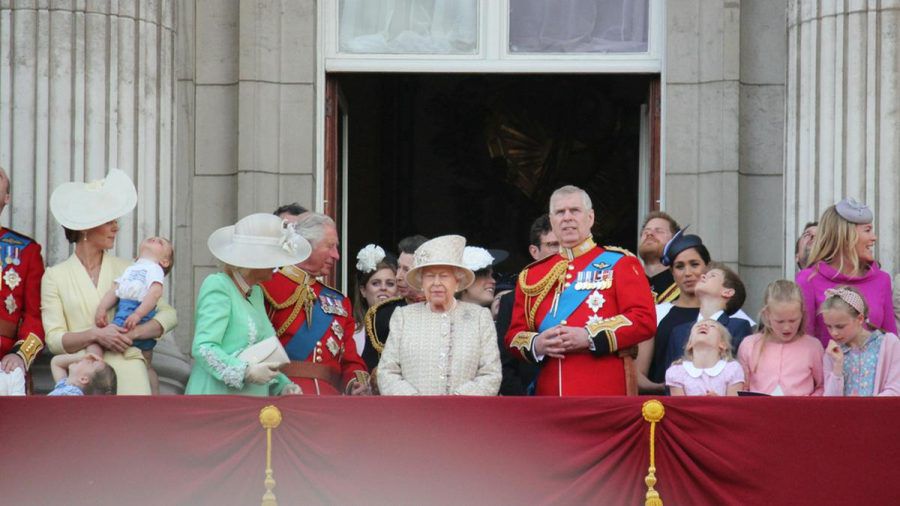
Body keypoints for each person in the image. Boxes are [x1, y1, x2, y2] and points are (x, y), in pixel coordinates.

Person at [505, 185, 656, 396]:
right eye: (560, 212)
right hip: (549, 396)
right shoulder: (532, 275)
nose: (567, 217)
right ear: (552, 220)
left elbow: (643, 320)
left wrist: (588, 336)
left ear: (590, 217)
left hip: (604, 394)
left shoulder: (620, 263)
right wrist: (537, 344)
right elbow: (514, 335)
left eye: (574, 211)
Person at [42, 169, 177, 395]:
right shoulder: (55, 276)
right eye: (109, 221)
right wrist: (95, 335)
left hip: (130, 371)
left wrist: (134, 333)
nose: (116, 227)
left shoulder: (130, 269)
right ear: (85, 227)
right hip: (85, 381)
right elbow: (55, 340)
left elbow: (168, 315)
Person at [186, 213, 308, 396]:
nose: (278, 266)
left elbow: (263, 353)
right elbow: (204, 348)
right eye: (273, 258)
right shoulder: (218, 285)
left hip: (252, 404)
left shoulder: (256, 293)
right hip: (215, 397)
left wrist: (283, 386)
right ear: (256, 260)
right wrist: (245, 371)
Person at [261, 212, 370, 395]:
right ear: (306, 245)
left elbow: (350, 359)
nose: (336, 255)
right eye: (330, 246)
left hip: (328, 402)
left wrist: (355, 383)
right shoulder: (268, 287)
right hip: (283, 395)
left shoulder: (340, 302)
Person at [377, 235, 501, 395]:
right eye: (429, 276)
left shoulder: (479, 318)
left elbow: (491, 374)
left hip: (464, 415)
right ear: (421, 282)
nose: (436, 283)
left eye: (443, 276)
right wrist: (416, 402)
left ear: (457, 281)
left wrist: (457, 401)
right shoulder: (403, 317)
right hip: (412, 415)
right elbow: (387, 372)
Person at [797, 198, 897, 347]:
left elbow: (892, 343)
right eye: (867, 230)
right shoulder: (808, 280)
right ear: (846, 236)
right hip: (826, 368)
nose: (874, 237)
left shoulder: (882, 279)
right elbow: (804, 345)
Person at [92, 236, 173, 394]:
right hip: (125, 308)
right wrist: (102, 308)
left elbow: (155, 294)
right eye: (151, 238)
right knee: (146, 360)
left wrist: (138, 313)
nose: (155, 239)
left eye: (161, 242)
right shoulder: (131, 268)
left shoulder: (154, 268)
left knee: (102, 339)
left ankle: (92, 363)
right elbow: (115, 290)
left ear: (164, 262)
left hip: (136, 311)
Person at [494, 214, 556, 395]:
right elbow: (504, 365)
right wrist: (525, 403)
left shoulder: (588, 294)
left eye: (564, 245)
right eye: (553, 245)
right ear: (534, 251)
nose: (561, 252)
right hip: (530, 403)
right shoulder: (511, 301)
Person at [737, 280, 824, 396]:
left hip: (800, 412)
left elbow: (822, 386)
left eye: (793, 320)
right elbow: (742, 388)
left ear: (802, 314)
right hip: (759, 411)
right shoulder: (749, 345)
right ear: (767, 314)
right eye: (780, 321)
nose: (787, 327)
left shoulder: (813, 346)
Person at [0, 167, 45, 384]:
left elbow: (34, 317)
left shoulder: (26, 251)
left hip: (4, 364)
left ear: (7, 197)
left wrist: (20, 355)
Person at [663, 261, 752, 372]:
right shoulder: (678, 332)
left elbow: (739, 374)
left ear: (728, 292)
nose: (703, 276)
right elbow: (670, 378)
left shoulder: (738, 326)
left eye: (712, 276)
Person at [364, 234, 429, 370]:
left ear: (424, 272)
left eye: (406, 270)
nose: (398, 276)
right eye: (398, 267)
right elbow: (368, 366)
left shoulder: (446, 309)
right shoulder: (381, 314)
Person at [821, 286, 900, 396]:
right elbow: (829, 401)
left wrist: (865, 408)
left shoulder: (889, 343)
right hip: (844, 413)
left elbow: (895, 389)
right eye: (829, 326)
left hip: (879, 412)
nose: (834, 333)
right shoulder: (832, 353)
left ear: (860, 319)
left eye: (840, 326)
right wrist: (837, 367)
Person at [665, 319, 744, 396]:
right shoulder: (677, 372)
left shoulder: (732, 369)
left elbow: (734, 406)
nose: (703, 325)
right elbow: (679, 406)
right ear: (689, 344)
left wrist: (718, 402)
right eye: (697, 326)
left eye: (712, 326)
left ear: (722, 344)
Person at [352, 243, 397, 371]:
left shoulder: (407, 329)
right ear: (363, 291)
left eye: (390, 283)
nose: (383, 288)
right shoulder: (351, 333)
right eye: (375, 283)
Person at [639, 211, 681, 304]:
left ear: (674, 241)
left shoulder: (684, 285)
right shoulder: (628, 281)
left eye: (658, 231)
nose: (649, 234)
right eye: (646, 231)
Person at [48, 351, 117, 396]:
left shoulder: (73, 395)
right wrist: (81, 357)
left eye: (90, 362)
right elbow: (56, 362)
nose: (87, 359)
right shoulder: (63, 385)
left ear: (83, 379)